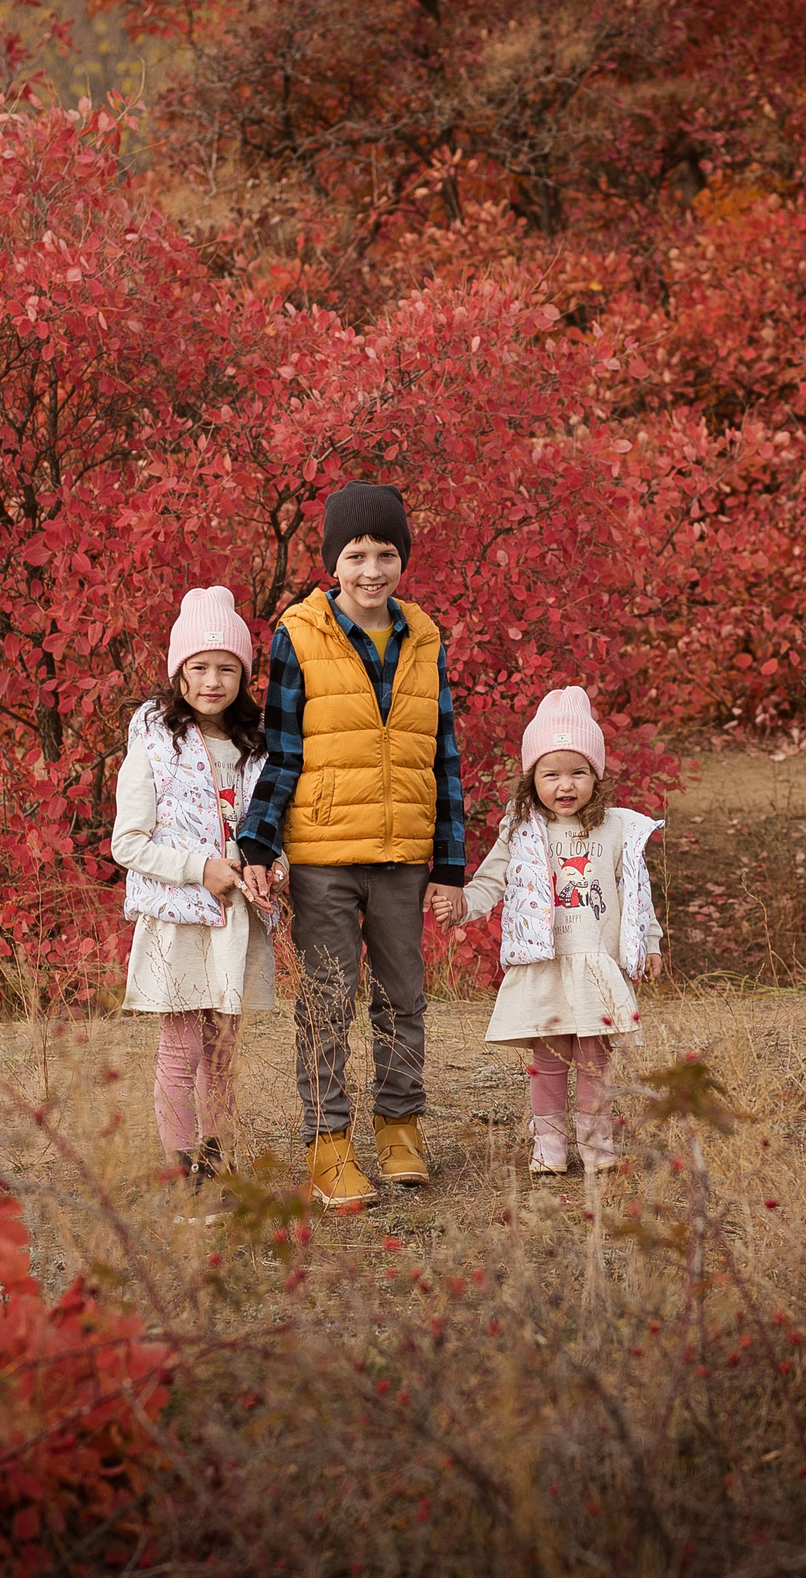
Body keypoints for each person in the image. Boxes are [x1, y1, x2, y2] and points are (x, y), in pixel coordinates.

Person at [235, 482, 466, 1213]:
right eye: (356, 554)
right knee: (328, 1002)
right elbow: (280, 750)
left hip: (402, 854)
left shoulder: (423, 636)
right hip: (325, 856)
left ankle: (399, 1125)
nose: (372, 569)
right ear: (333, 560)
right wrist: (256, 844)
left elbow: (444, 754)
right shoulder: (299, 633)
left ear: (403, 559)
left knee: (403, 997)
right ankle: (328, 1142)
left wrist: (452, 863)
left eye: (386, 553)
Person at [110, 586, 274, 1225]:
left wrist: (270, 868)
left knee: (223, 1052)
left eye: (228, 667)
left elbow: (265, 831)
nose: (213, 680)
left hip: (234, 924)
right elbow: (129, 842)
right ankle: (182, 1173)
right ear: (178, 672)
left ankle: (218, 1161)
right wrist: (199, 868)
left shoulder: (257, 747)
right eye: (200, 667)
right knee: (181, 1050)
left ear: (244, 675)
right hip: (179, 921)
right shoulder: (155, 740)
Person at [459, 687, 664, 1176]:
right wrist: (462, 905)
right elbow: (493, 879)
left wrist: (651, 943)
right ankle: (548, 1147)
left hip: (595, 964)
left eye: (578, 772)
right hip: (545, 963)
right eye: (551, 774)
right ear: (533, 780)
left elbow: (636, 892)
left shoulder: (615, 828)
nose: (565, 785)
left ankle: (597, 1146)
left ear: (596, 774)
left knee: (595, 1060)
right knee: (548, 1059)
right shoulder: (523, 828)